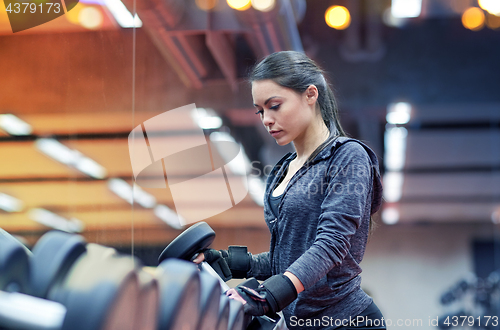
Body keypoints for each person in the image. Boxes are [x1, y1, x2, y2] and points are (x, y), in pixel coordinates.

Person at [194, 50, 385, 330]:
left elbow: (331, 246)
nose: (266, 119)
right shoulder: (281, 171)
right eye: (260, 111)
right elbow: (288, 258)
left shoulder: (348, 156)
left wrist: (267, 296)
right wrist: (228, 262)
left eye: (274, 106)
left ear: (310, 95)